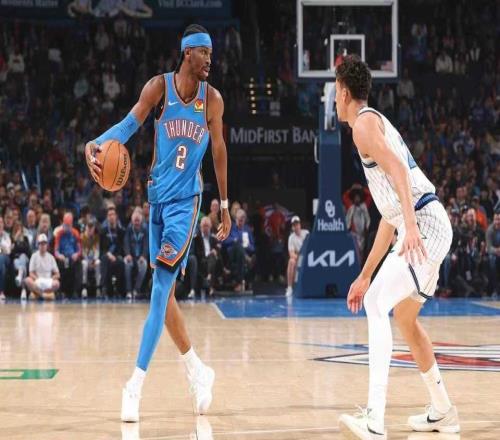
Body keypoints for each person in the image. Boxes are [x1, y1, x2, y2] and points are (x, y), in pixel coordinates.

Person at [85, 24, 231, 422]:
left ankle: (134, 385)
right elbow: (129, 124)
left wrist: (224, 203)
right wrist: (97, 142)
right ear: (187, 53)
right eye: (204, 53)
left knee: (159, 289)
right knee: (165, 302)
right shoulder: (159, 88)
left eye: (211, 54)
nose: (209, 60)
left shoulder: (212, 100)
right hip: (157, 202)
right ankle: (197, 370)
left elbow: (218, 150)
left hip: (186, 204)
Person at [335, 56, 459, 439]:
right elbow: (388, 220)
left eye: (335, 92)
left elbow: (401, 173)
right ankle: (443, 410)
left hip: (424, 222)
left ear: (344, 92)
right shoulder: (374, 123)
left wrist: (412, 226)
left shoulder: (362, 125)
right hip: (423, 221)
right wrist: (364, 275)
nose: (334, 99)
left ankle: (374, 421)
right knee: (404, 318)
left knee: (376, 304)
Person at [224, 208, 255, 292]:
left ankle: (240, 282)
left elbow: (253, 247)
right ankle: (247, 259)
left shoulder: (247, 229)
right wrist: (234, 240)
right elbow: (224, 241)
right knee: (237, 244)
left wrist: (248, 246)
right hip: (231, 253)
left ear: (244, 220)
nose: (240, 222)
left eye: (242, 220)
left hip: (243, 252)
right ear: (236, 219)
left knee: (241, 251)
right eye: (238, 220)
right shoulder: (230, 227)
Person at [54, 212, 82, 298]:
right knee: (60, 265)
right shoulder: (59, 234)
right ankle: (61, 290)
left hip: (73, 257)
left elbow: (79, 250)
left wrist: (76, 254)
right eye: (65, 225)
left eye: (68, 225)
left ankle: (75, 291)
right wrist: (59, 255)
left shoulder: (76, 233)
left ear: (71, 225)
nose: (66, 228)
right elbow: (56, 250)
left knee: (78, 265)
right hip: (62, 257)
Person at [23, 234, 60, 301]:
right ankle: (45, 295)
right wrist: (37, 279)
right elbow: (31, 273)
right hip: (37, 280)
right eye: (41, 244)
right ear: (38, 245)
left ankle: (37, 294)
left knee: (57, 283)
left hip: (48, 281)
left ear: (47, 245)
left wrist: (51, 279)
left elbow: (57, 274)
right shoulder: (34, 256)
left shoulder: (51, 257)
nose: (42, 246)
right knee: (27, 280)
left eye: (44, 244)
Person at [100, 206, 125, 297]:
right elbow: (101, 248)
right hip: (106, 254)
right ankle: (104, 288)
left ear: (116, 216)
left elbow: (122, 247)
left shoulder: (121, 231)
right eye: (109, 215)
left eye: (113, 214)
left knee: (121, 262)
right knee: (104, 259)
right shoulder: (103, 231)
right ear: (107, 217)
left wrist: (116, 256)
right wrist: (108, 254)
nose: (111, 217)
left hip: (117, 255)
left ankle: (119, 289)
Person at [124, 210, 148, 300]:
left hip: (140, 256)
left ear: (141, 221)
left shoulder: (145, 229)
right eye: (135, 221)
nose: (137, 223)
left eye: (138, 221)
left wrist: (143, 255)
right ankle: (128, 290)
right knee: (127, 264)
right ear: (132, 221)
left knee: (144, 265)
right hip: (131, 256)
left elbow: (146, 244)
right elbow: (126, 243)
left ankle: (136, 290)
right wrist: (127, 254)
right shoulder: (129, 229)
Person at [193, 216, 220, 296]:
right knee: (211, 259)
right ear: (201, 227)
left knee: (212, 256)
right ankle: (210, 283)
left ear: (210, 227)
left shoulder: (213, 238)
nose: (205, 228)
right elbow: (196, 252)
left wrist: (215, 251)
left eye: (207, 226)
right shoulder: (197, 238)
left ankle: (209, 276)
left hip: (212, 260)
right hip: (201, 260)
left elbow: (218, 248)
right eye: (204, 226)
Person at [286, 216, 309, 297]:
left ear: (300, 224)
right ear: (292, 227)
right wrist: (301, 258)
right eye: (294, 225)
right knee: (291, 261)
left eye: (297, 224)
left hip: (308, 258)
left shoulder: (306, 233)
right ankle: (289, 288)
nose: (296, 226)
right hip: (298, 258)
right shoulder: (291, 238)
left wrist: (305, 257)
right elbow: (291, 254)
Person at [81, 217, 101, 299]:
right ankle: (84, 288)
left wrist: (94, 260)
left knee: (98, 262)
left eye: (91, 227)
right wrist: (88, 261)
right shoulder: (82, 237)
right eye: (88, 227)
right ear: (86, 227)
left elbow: (97, 250)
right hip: (85, 259)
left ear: (94, 228)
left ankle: (98, 288)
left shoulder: (96, 237)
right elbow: (82, 251)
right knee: (84, 264)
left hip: (93, 259)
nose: (90, 229)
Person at [486, 211, 500, 296]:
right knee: (492, 260)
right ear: (493, 220)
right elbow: (489, 247)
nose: (497, 222)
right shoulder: (489, 230)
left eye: (499, 219)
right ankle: (495, 289)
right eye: (496, 219)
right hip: (493, 254)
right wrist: (497, 251)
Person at [0, 216, 11, 301]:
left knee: (1, 259)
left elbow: (8, 250)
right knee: (2, 267)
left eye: (1, 222)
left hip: (6, 257)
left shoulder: (7, 235)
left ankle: (1, 292)